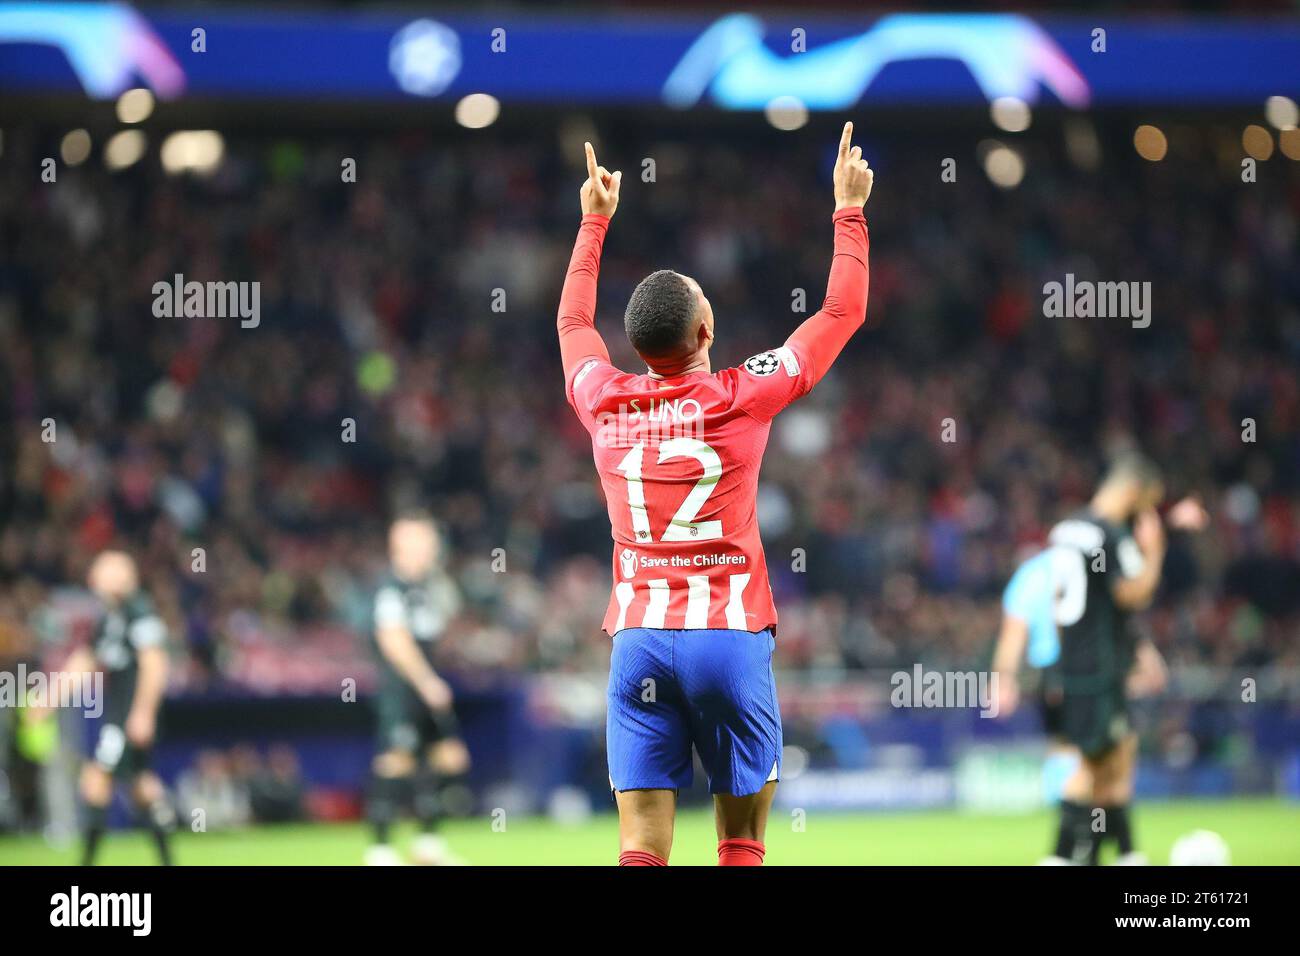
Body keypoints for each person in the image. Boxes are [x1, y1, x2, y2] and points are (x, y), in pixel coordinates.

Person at [556, 123, 873, 865]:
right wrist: (849, 210)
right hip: (728, 639)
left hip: (637, 641)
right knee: (740, 843)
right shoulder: (741, 394)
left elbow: (573, 321)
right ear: (706, 328)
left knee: (640, 848)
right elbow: (841, 313)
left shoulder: (603, 398)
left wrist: (593, 222)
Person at [365, 513, 470, 865]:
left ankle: (427, 843)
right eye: (424, 541)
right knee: (396, 761)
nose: (432, 548)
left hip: (428, 684)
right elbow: (393, 639)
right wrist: (426, 681)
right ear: (402, 544)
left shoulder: (428, 586)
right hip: (403, 689)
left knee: (448, 757)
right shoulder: (390, 587)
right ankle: (379, 849)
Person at [65, 550, 174, 865]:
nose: (93, 579)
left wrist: (143, 713)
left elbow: (155, 663)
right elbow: (84, 661)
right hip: (123, 714)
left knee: (94, 779)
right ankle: (168, 861)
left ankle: (85, 863)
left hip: (127, 715)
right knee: (143, 786)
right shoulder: (109, 618)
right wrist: (48, 699)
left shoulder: (138, 612)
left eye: (101, 571)